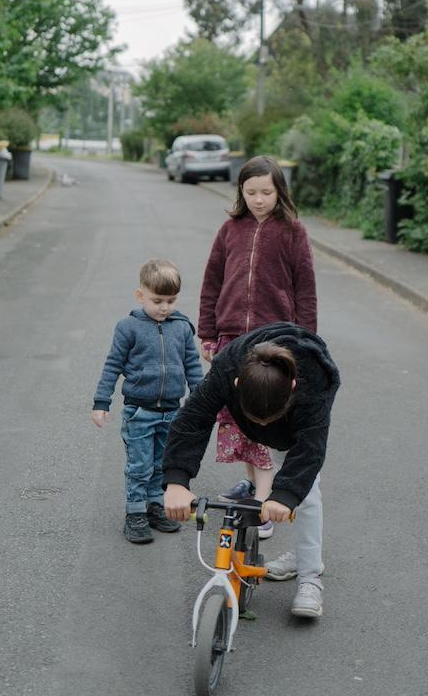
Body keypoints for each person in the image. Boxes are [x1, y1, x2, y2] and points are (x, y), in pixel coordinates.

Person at [162, 323, 339, 619]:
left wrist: (284, 495)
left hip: (294, 430)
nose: (264, 427)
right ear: (236, 385)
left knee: (305, 493)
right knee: (277, 474)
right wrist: (177, 481)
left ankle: (310, 576)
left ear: (293, 387)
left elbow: (310, 448)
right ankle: (302, 556)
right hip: (255, 393)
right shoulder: (227, 368)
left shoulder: (315, 380)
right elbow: (193, 419)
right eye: (260, 420)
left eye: (269, 420)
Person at [197, 155, 318, 542]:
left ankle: (264, 505)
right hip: (231, 339)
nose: (259, 199)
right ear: (241, 192)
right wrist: (207, 332)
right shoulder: (230, 229)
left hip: (273, 342)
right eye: (251, 192)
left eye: (266, 192)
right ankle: (252, 488)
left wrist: (306, 342)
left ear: (279, 191)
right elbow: (212, 281)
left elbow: (306, 290)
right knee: (238, 419)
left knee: (264, 417)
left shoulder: (293, 232)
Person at [92, 259, 204, 544]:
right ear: (140, 295)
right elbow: (112, 365)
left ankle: (155, 506)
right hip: (139, 411)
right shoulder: (128, 327)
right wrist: (101, 402)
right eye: (157, 300)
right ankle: (135, 512)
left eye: (171, 300)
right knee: (139, 465)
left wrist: (200, 397)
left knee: (162, 464)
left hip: (172, 412)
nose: (165, 307)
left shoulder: (181, 327)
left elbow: (192, 365)